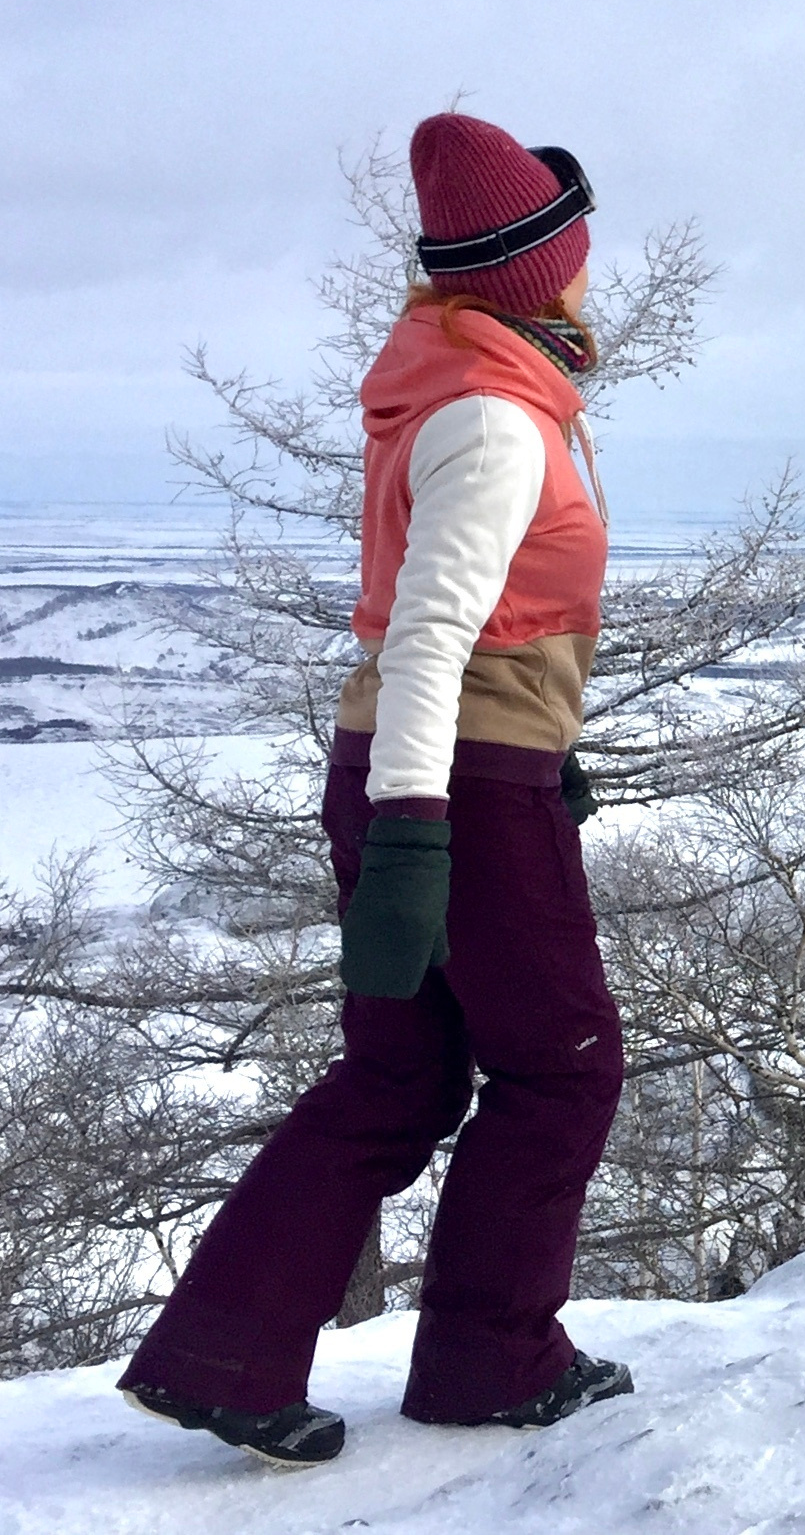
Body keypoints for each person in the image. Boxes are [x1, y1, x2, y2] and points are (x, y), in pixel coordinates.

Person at [117, 113, 634, 1466]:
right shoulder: (496, 418)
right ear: (540, 275)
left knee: (399, 1076)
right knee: (563, 1068)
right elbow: (428, 633)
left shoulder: (455, 384)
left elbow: (478, 622)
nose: (591, 278)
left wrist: (543, 746)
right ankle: (490, 1353)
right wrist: (418, 838)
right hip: (451, 784)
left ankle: (223, 1353)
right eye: (578, 258)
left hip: (431, 763)